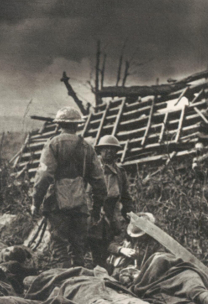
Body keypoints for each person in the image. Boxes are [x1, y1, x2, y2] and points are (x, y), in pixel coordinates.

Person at [29, 107, 106, 269]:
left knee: (59, 246)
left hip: (57, 204)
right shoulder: (86, 147)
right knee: (78, 248)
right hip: (80, 204)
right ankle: (79, 284)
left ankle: (63, 283)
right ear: (78, 125)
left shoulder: (52, 145)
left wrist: (36, 202)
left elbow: (43, 176)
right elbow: (99, 182)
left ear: (59, 125)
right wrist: (97, 209)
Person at [87, 135, 132, 268]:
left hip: (112, 212)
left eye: (112, 149)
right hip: (94, 211)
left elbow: (125, 196)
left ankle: (106, 271)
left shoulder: (120, 172)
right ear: (99, 151)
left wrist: (130, 213)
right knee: (92, 243)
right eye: (105, 149)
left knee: (108, 244)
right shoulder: (90, 169)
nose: (109, 152)